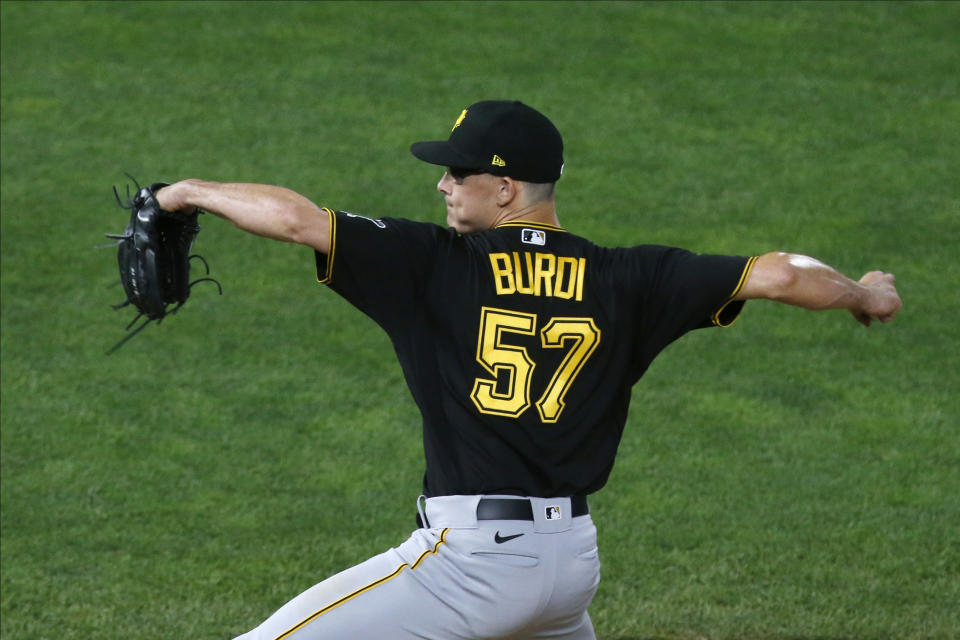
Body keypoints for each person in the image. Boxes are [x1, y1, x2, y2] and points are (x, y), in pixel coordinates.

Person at [156, 100, 902, 640]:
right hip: (568, 569)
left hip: (470, 568)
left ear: (505, 188)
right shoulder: (632, 277)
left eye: (458, 173)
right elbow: (779, 273)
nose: (442, 185)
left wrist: (186, 193)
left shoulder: (431, 264)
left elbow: (295, 218)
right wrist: (865, 293)